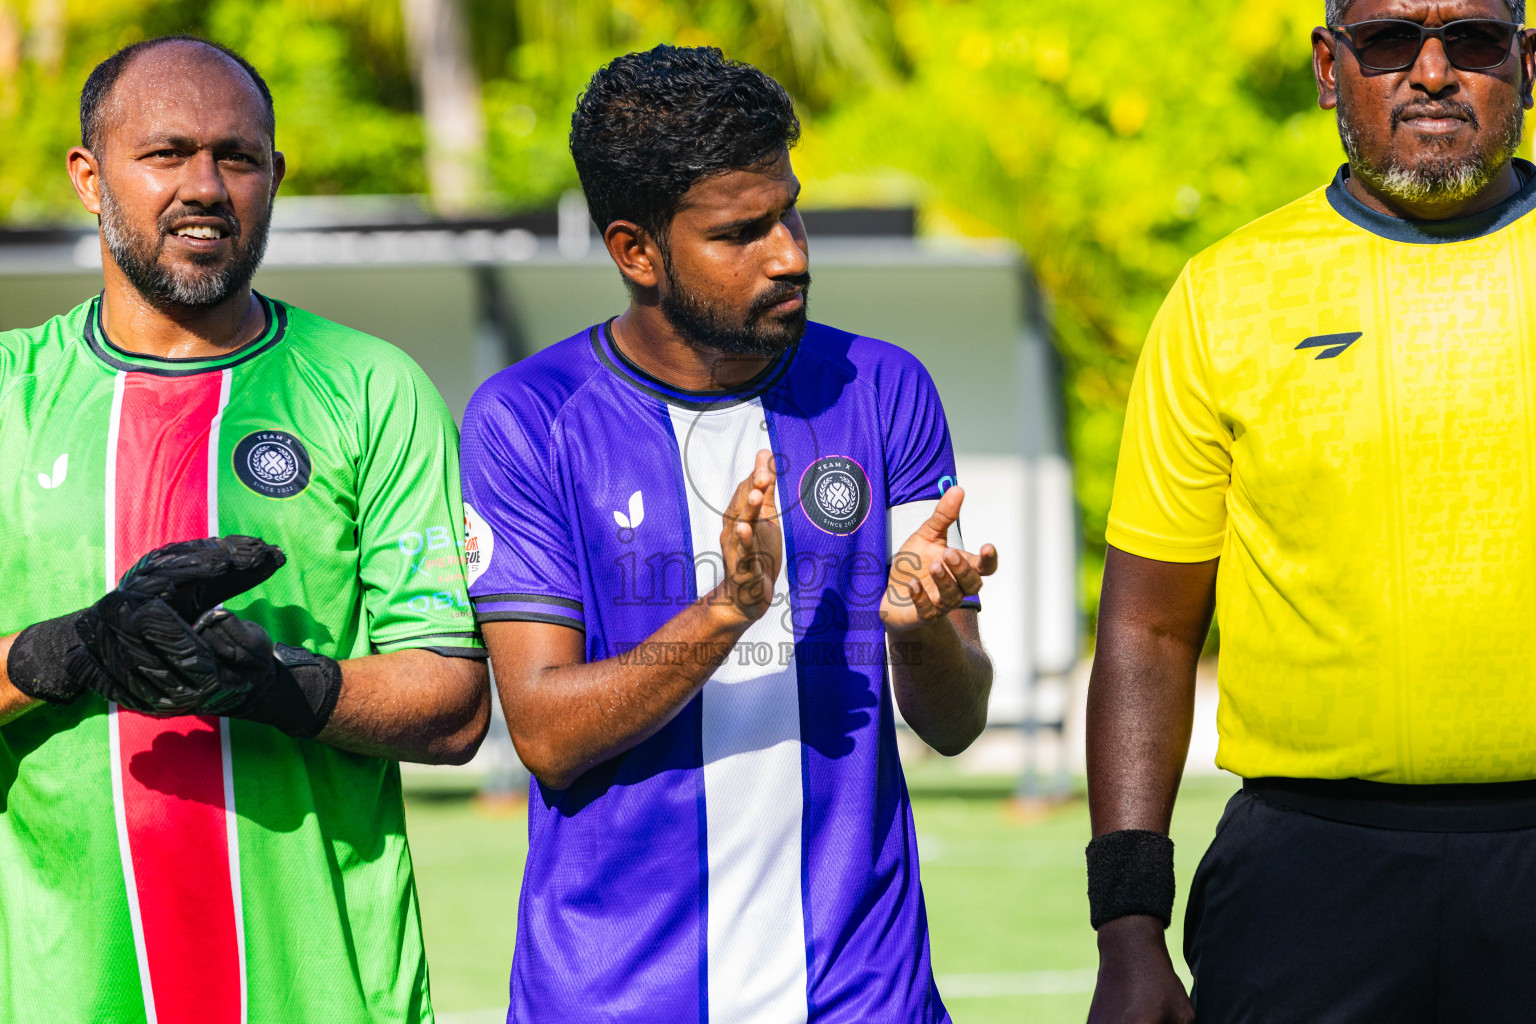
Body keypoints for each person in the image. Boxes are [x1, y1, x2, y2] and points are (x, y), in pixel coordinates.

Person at [460, 45, 998, 1023]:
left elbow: (955, 721)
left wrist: (920, 628)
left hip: (860, 995)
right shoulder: (528, 418)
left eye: (789, 211)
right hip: (616, 998)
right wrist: (731, 608)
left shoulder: (884, 389)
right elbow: (542, 733)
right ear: (637, 251)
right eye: (740, 232)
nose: (789, 252)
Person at [0, 37, 489, 1024]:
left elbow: (454, 704)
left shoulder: (370, 388)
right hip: (57, 991)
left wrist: (280, 685)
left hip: (323, 995)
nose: (207, 186)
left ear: (275, 176)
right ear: (89, 179)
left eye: (238, 156)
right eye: (167, 153)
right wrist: (58, 653)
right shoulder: (10, 391)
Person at [1085, 1, 1536, 1021]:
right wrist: (1128, 923)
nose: (1430, 71)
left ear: (1527, 63)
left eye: (1470, 38)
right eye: (1388, 42)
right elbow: (1149, 632)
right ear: (1331, 68)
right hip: (1307, 877)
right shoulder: (1224, 293)